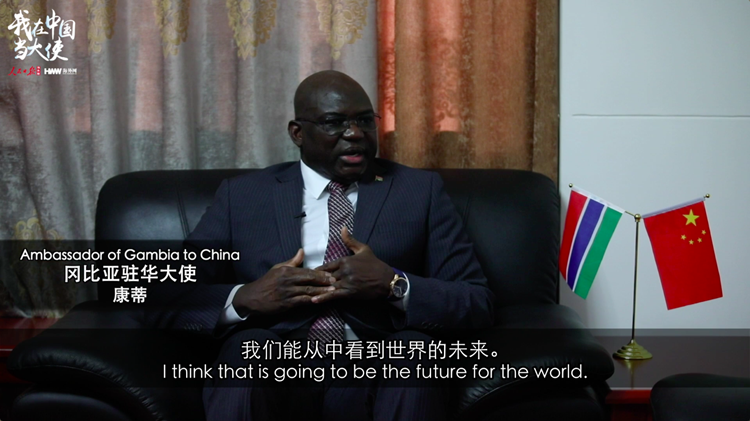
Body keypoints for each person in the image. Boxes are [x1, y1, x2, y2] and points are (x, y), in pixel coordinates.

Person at [178, 70, 495, 420]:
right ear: (297, 133)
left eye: (365, 121)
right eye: (334, 123)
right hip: (277, 361)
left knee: (415, 351)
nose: (355, 133)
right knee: (247, 349)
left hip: (376, 362)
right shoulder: (242, 196)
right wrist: (245, 297)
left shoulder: (419, 191)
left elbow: (475, 301)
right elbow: (170, 295)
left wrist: (393, 284)